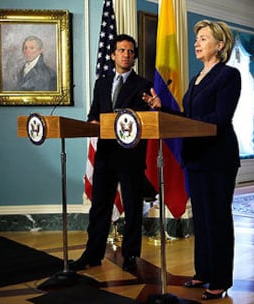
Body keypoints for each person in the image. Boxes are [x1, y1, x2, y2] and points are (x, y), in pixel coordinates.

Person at [143, 20, 241, 301]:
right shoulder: (196, 78)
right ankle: (203, 271)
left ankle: (220, 279)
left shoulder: (229, 75)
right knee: (202, 219)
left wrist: (183, 118)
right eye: (196, 38)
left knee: (217, 218)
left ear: (219, 46)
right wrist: (165, 110)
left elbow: (220, 119)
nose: (196, 43)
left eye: (203, 39)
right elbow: (190, 117)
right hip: (196, 156)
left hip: (218, 156)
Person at [69, 34, 151, 272]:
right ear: (112, 55)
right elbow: (94, 113)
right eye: (122, 50)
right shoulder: (102, 83)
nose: (126, 55)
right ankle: (92, 254)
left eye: (130, 51)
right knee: (99, 207)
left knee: (133, 207)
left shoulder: (142, 85)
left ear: (134, 57)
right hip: (105, 154)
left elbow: (142, 120)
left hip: (130, 156)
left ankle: (131, 255)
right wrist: (93, 121)